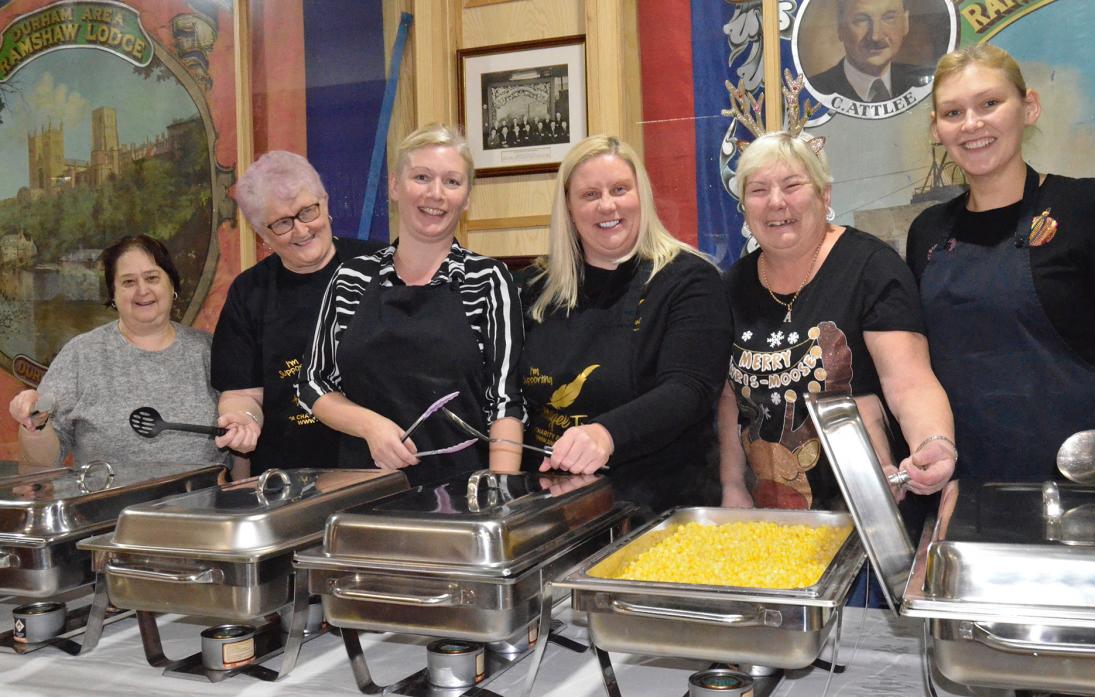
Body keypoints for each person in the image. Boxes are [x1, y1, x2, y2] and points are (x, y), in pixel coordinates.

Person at [907, 44, 1095, 483]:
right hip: (965, 486)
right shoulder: (927, 233)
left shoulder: (1088, 207)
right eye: (953, 113)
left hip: (1084, 481)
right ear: (936, 129)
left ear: (1029, 107)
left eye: (989, 104)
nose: (973, 124)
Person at [718, 127, 955, 512]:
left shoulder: (871, 268)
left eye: (792, 185)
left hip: (867, 507)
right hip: (766, 514)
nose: (776, 202)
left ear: (824, 194)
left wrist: (933, 443)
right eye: (758, 190)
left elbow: (909, 382)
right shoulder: (733, 285)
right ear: (744, 205)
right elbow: (729, 399)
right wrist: (731, 485)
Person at [297, 124, 524, 485]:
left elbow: (505, 403)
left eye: (452, 182)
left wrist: (500, 496)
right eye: (421, 177)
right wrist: (370, 426)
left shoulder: (488, 280)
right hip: (363, 493)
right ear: (394, 186)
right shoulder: (350, 278)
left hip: (465, 499)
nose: (435, 194)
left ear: (466, 198)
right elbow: (313, 383)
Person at [518, 135, 732, 513]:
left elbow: (689, 389)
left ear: (641, 197)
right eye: (589, 195)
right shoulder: (533, 288)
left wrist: (606, 434)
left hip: (660, 509)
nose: (607, 205)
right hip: (554, 511)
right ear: (568, 208)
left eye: (619, 189)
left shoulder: (689, 280)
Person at [212, 151, 383, 477]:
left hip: (382, 468)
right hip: (291, 477)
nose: (301, 230)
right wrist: (242, 420)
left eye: (307, 211)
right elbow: (242, 393)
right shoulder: (249, 293)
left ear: (325, 201)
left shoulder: (383, 267)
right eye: (282, 223)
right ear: (261, 234)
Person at [8, 235, 227, 471]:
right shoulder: (81, 355)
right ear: (113, 294)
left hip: (201, 504)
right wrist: (35, 425)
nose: (142, 290)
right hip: (107, 507)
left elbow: (239, 451)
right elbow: (41, 463)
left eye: (152, 278)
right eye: (128, 282)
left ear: (171, 284)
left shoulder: (211, 351)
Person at [807, 0, 932, 103]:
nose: (875, 36)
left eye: (889, 18)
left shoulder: (925, 83)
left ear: (905, 23)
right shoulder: (814, 91)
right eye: (861, 20)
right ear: (840, 28)